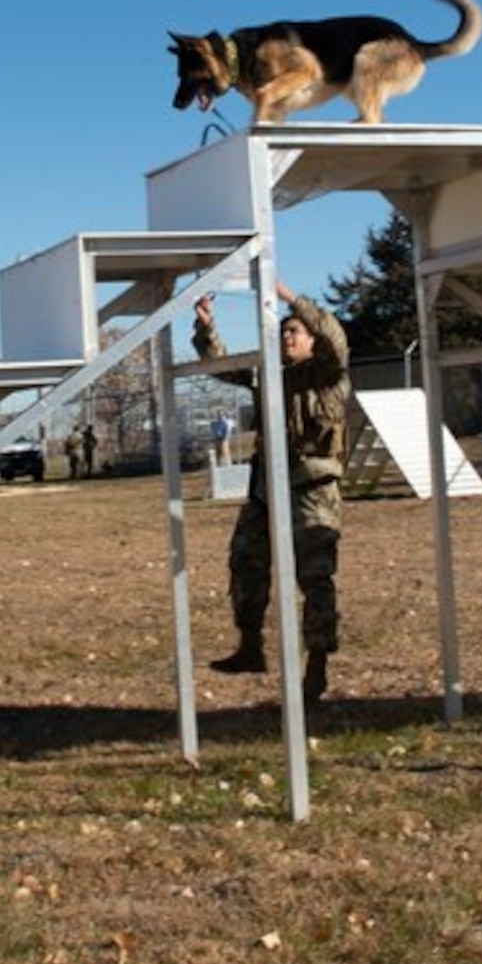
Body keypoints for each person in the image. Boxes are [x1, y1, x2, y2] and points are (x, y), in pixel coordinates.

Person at [192, 282, 349, 703]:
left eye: (294, 331)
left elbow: (335, 337)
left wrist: (289, 296)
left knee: (315, 577)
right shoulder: (268, 374)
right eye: (282, 331)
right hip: (266, 487)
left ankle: (317, 668)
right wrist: (207, 328)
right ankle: (250, 647)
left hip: (312, 488)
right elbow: (222, 366)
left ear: (312, 340)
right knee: (245, 559)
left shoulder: (328, 375)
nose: (286, 337)